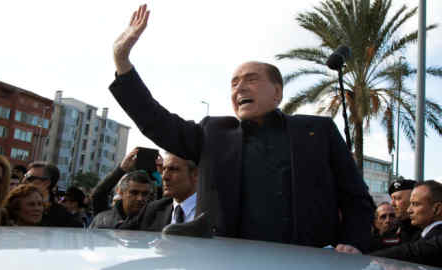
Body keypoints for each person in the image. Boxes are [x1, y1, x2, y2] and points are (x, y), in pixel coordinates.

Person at [108, 4, 374, 252]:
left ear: (277, 93)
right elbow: (157, 122)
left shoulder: (318, 132)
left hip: (305, 262)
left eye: (251, 80)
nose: (240, 88)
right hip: (228, 261)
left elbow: (356, 200)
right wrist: (122, 61)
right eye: (234, 83)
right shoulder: (213, 133)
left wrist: (351, 244)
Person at [368, 181, 442, 267]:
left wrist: (365, 259)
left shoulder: (436, 239)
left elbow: (413, 251)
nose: (409, 210)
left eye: (415, 204)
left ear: (437, 208)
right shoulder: (424, 235)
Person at [118, 153, 198, 231]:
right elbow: (113, 232)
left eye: (173, 169)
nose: (164, 176)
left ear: (195, 174)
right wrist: (121, 170)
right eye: (164, 169)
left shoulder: (209, 210)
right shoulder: (152, 210)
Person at [22, 161, 83, 227]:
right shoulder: (14, 207)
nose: (24, 181)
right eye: (25, 176)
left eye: (30, 178)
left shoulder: (63, 218)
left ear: (46, 183)